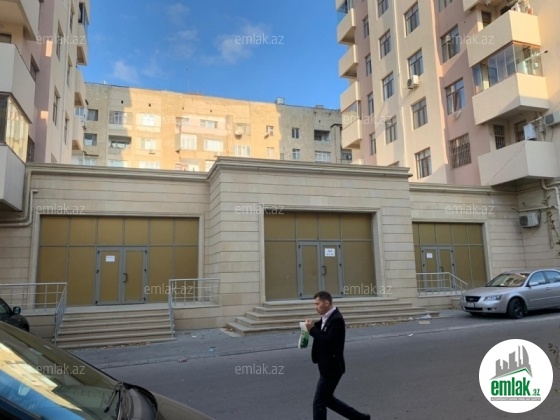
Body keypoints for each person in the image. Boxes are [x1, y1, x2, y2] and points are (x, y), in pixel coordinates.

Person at [305, 291, 370, 420]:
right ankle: (360, 418)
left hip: (332, 368)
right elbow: (323, 330)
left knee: (319, 402)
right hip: (327, 366)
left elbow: (327, 341)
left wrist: (312, 329)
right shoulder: (327, 316)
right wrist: (310, 326)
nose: (315, 307)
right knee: (328, 400)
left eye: (317, 304)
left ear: (326, 303)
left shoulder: (337, 319)